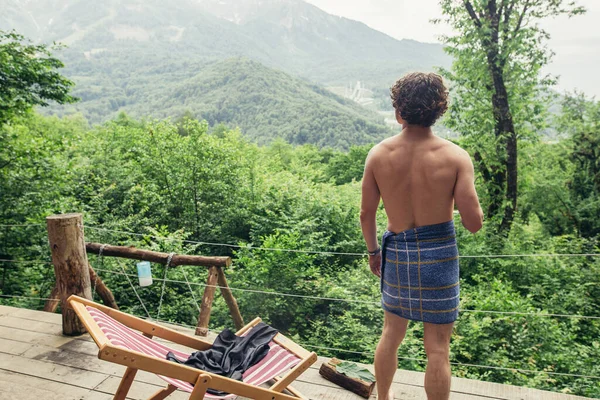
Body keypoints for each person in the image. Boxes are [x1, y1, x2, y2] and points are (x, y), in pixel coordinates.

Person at [360, 72, 483, 400]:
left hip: (397, 254)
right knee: (438, 350)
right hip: (440, 259)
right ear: (439, 111)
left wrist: (374, 252)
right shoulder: (456, 157)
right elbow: (474, 223)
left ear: (399, 112)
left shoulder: (378, 155)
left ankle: (382, 398)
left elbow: (366, 214)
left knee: (390, 334)